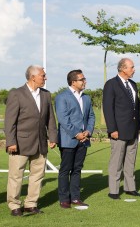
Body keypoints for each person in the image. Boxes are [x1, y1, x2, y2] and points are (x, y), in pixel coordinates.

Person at [4, 65, 57, 216]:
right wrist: (11, 142)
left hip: (40, 143)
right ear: (33, 77)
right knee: (16, 176)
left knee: (38, 175)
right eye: (43, 75)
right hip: (20, 144)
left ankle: (31, 204)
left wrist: (53, 137)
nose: (45, 78)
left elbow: (50, 119)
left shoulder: (46, 95)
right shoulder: (16, 94)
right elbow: (10, 122)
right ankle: (14, 205)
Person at [103, 58, 140, 199]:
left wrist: (139, 127)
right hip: (118, 131)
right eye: (132, 67)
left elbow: (136, 108)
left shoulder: (133, 84)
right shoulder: (111, 84)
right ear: (123, 68)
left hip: (132, 130)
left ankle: (130, 188)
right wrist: (112, 129)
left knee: (130, 160)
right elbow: (108, 109)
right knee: (116, 162)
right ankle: (113, 191)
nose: (134, 69)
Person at [56, 69, 95, 208]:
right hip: (68, 140)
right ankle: (64, 199)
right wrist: (76, 134)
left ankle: (75, 198)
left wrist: (88, 131)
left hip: (84, 140)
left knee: (77, 169)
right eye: (82, 79)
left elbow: (91, 116)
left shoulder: (86, 98)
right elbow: (63, 119)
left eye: (84, 79)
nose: (85, 81)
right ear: (73, 82)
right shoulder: (62, 97)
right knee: (65, 170)